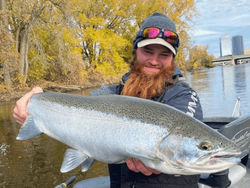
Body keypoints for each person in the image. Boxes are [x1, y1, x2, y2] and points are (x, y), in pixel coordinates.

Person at [14, 12, 205, 188]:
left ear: (172, 60)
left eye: (164, 55)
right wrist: (35, 102)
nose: (154, 61)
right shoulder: (113, 94)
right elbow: (73, 117)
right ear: (135, 52)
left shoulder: (184, 97)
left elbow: (182, 143)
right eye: (148, 51)